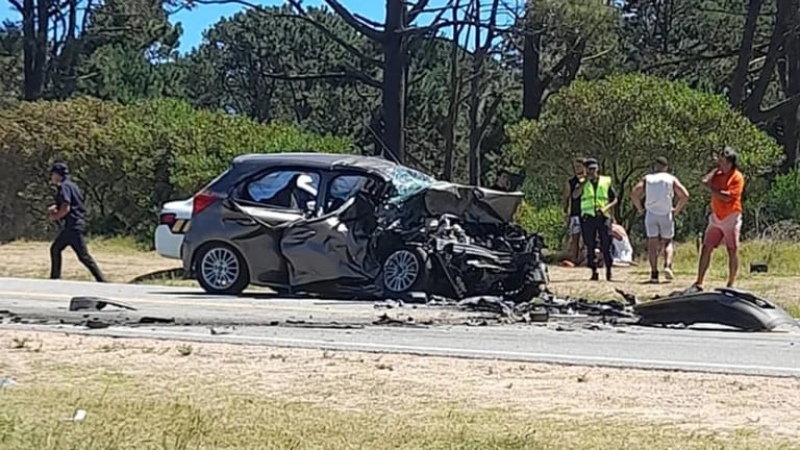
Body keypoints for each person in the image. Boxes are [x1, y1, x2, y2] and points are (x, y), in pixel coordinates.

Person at [692, 147, 746, 290]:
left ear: (730, 162)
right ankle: (699, 282)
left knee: (732, 249)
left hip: (731, 216)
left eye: (722, 161)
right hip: (716, 215)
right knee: (706, 247)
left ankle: (731, 283)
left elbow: (727, 197)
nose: (719, 163)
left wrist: (711, 189)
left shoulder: (737, 177)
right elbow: (703, 182)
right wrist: (713, 172)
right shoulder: (718, 174)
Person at [631, 156, 690, 284]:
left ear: (655, 166)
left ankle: (654, 274)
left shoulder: (648, 178)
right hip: (666, 213)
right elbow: (685, 195)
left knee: (652, 244)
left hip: (651, 213)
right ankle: (667, 265)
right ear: (666, 167)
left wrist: (640, 209)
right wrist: (677, 209)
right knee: (668, 242)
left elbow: (634, 193)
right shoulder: (671, 179)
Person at [47, 162, 106, 282]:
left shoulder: (64, 187)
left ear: (58, 175)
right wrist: (56, 207)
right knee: (60, 249)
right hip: (75, 224)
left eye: (53, 174)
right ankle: (55, 277)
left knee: (82, 255)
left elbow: (66, 207)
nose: (52, 177)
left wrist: (56, 216)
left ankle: (101, 280)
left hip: (73, 225)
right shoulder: (72, 186)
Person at [572, 157, 618, 281]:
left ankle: (609, 270)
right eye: (589, 169)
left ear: (597, 169)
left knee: (606, 243)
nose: (592, 172)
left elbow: (614, 199)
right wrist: (584, 181)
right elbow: (575, 195)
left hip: (603, 217)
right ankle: (594, 271)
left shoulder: (606, 181)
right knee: (590, 245)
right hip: (588, 217)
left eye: (593, 169)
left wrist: (607, 208)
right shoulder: (582, 182)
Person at [562, 157, 586, 264]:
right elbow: (568, 197)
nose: (577, 169)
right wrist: (565, 211)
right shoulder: (571, 182)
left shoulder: (590, 180)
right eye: (576, 167)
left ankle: (585, 258)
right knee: (575, 237)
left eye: (579, 166)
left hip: (587, 213)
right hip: (575, 213)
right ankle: (574, 259)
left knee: (587, 238)